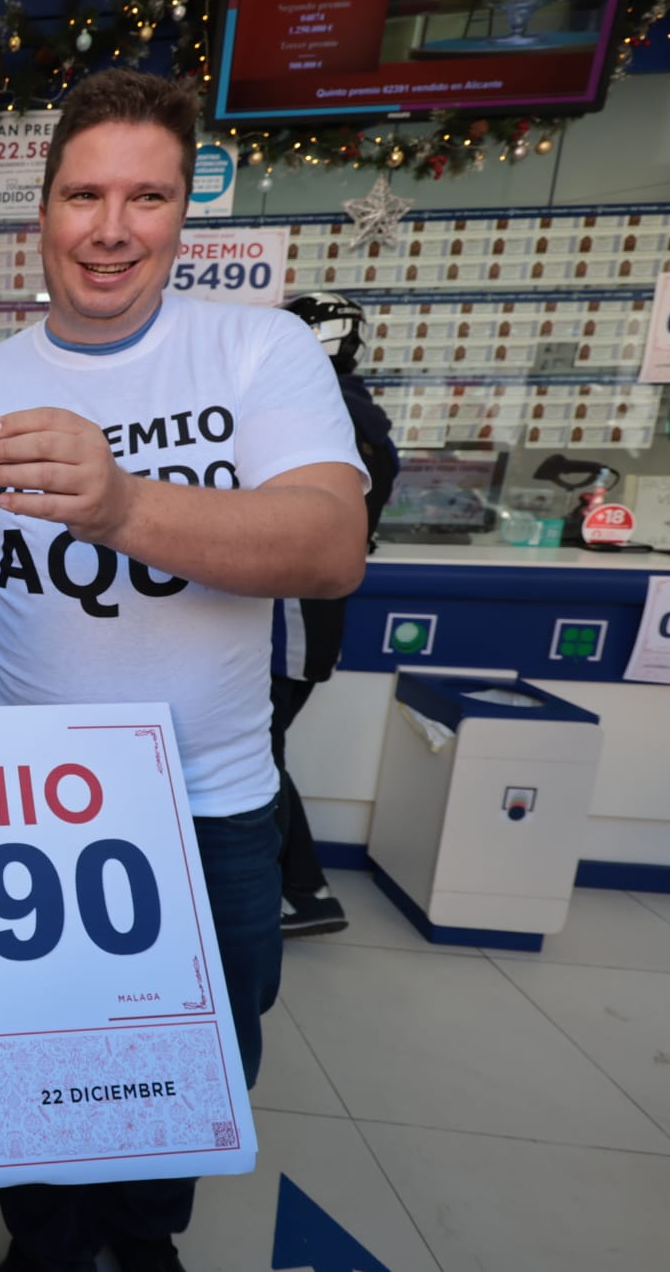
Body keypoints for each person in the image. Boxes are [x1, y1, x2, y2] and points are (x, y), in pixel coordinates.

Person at [0, 69, 369, 1272]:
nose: (109, 228)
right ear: (38, 211)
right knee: (25, 1047)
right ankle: (41, 1235)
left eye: (146, 196)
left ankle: (141, 1238)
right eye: (83, 194)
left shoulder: (260, 352)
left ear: (185, 212)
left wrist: (123, 501)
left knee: (195, 1057)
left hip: (209, 806)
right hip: (19, 810)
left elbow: (327, 549)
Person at [272, 292, 400, 937]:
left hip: (291, 618)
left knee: (254, 756)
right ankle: (301, 885)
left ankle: (302, 890)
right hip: (310, 617)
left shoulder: (326, 415)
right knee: (261, 751)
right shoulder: (362, 415)